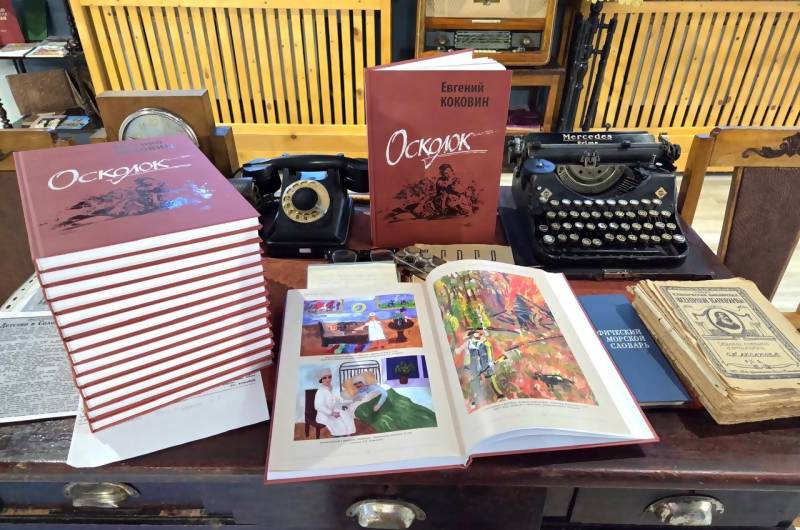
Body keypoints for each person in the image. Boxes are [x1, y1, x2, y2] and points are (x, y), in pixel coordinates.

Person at [462, 329, 504, 407]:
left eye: (478, 333)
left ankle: (499, 395)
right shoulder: (469, 343)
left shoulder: (484, 341)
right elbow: (467, 355)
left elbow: (489, 349)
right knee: (477, 382)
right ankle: (475, 400)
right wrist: (467, 366)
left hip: (485, 362)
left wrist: (490, 361)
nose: (477, 334)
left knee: (491, 378)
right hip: (475, 364)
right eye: (475, 333)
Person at [313, 367, 355, 436]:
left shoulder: (332, 389)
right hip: (324, 415)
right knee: (338, 424)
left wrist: (352, 400)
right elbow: (318, 406)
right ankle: (339, 436)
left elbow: (340, 400)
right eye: (325, 378)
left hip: (334, 411)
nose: (328, 379)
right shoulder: (320, 391)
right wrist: (331, 413)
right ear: (321, 380)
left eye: (329, 377)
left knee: (347, 416)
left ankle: (348, 434)